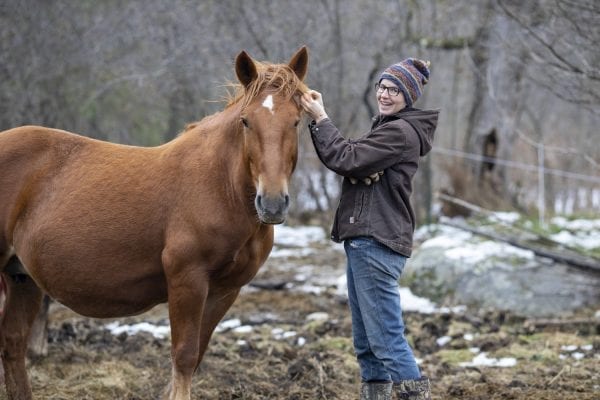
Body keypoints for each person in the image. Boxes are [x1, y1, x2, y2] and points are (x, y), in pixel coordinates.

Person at [300, 58, 438, 400]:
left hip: (376, 243)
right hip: (366, 243)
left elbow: (347, 158)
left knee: (387, 342)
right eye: (382, 86)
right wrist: (359, 169)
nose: (385, 94)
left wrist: (320, 118)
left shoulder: (399, 131)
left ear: (409, 96)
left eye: (395, 90)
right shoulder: (389, 127)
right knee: (367, 346)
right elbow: (354, 160)